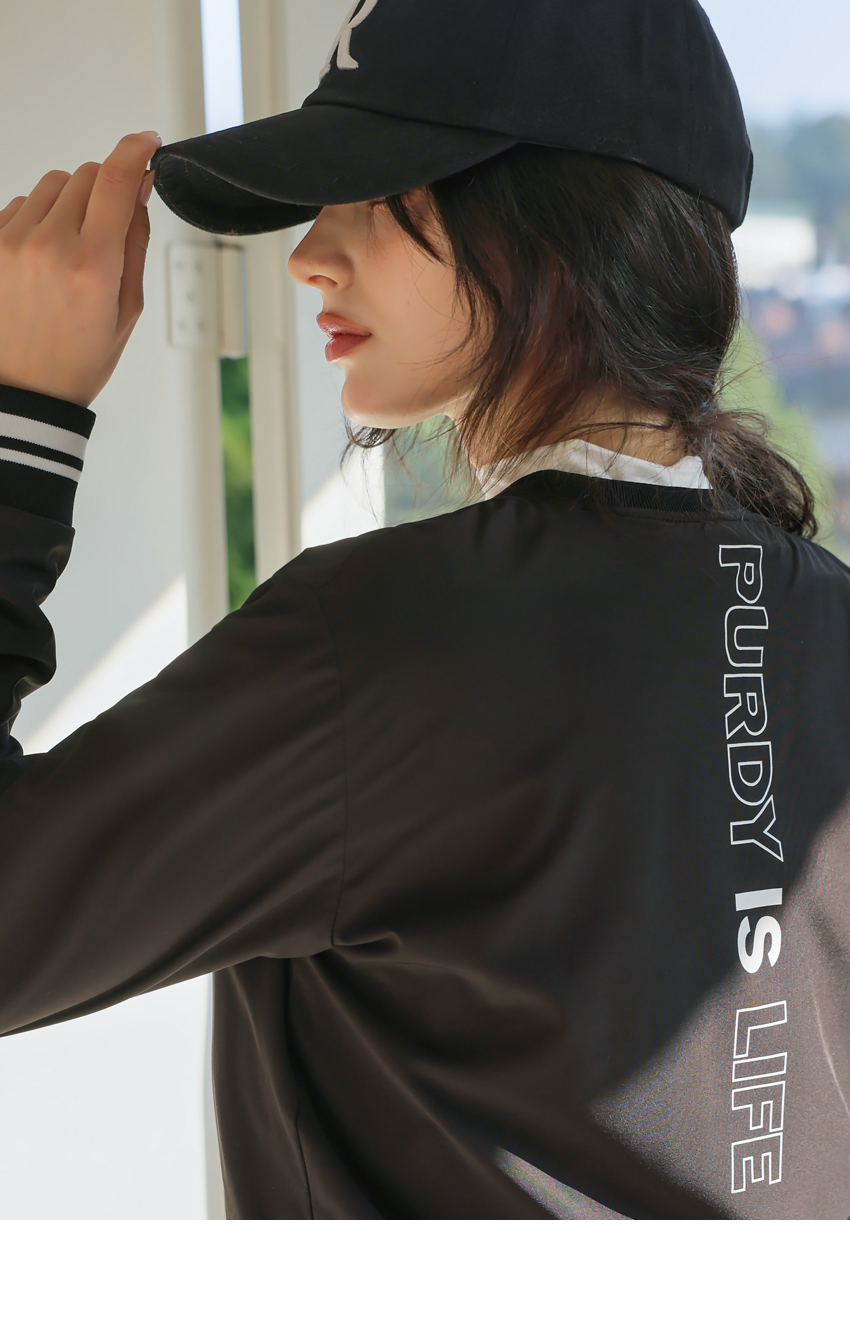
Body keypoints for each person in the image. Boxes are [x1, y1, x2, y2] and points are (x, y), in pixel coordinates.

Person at [0, 0, 848, 1219]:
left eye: (372, 192)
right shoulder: (826, 621)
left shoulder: (383, 640)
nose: (307, 255)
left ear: (552, 221)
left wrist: (24, 426)